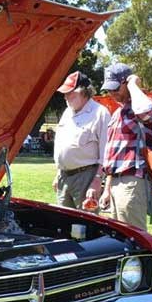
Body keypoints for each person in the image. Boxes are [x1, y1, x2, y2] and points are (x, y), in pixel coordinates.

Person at [98, 63, 152, 230]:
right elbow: (113, 156)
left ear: (126, 83)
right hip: (117, 181)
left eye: (116, 88)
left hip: (132, 179)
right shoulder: (118, 112)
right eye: (109, 89)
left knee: (133, 236)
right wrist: (107, 189)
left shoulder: (142, 104)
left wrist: (133, 84)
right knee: (119, 236)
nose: (112, 93)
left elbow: (146, 111)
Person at [52, 70, 110, 211]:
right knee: (63, 223)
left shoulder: (100, 113)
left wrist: (97, 181)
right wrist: (58, 173)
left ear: (83, 92)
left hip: (86, 177)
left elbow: (106, 154)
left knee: (85, 225)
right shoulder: (67, 112)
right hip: (63, 177)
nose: (65, 97)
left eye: (69, 93)